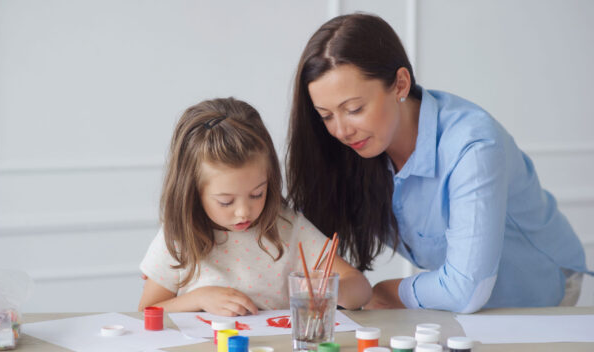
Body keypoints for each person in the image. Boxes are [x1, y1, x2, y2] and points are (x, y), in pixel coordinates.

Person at [286, 13, 590, 313]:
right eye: (326, 115)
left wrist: (386, 291)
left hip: (540, 295)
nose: (341, 130)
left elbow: (465, 289)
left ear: (400, 84)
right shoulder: (356, 150)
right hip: (467, 307)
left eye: (354, 108)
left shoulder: (473, 147)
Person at [138, 97, 371, 316]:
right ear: (192, 193)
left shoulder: (287, 227)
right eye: (226, 201)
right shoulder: (178, 237)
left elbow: (360, 287)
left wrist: (331, 290)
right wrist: (198, 299)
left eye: (257, 194)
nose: (243, 212)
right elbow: (147, 312)